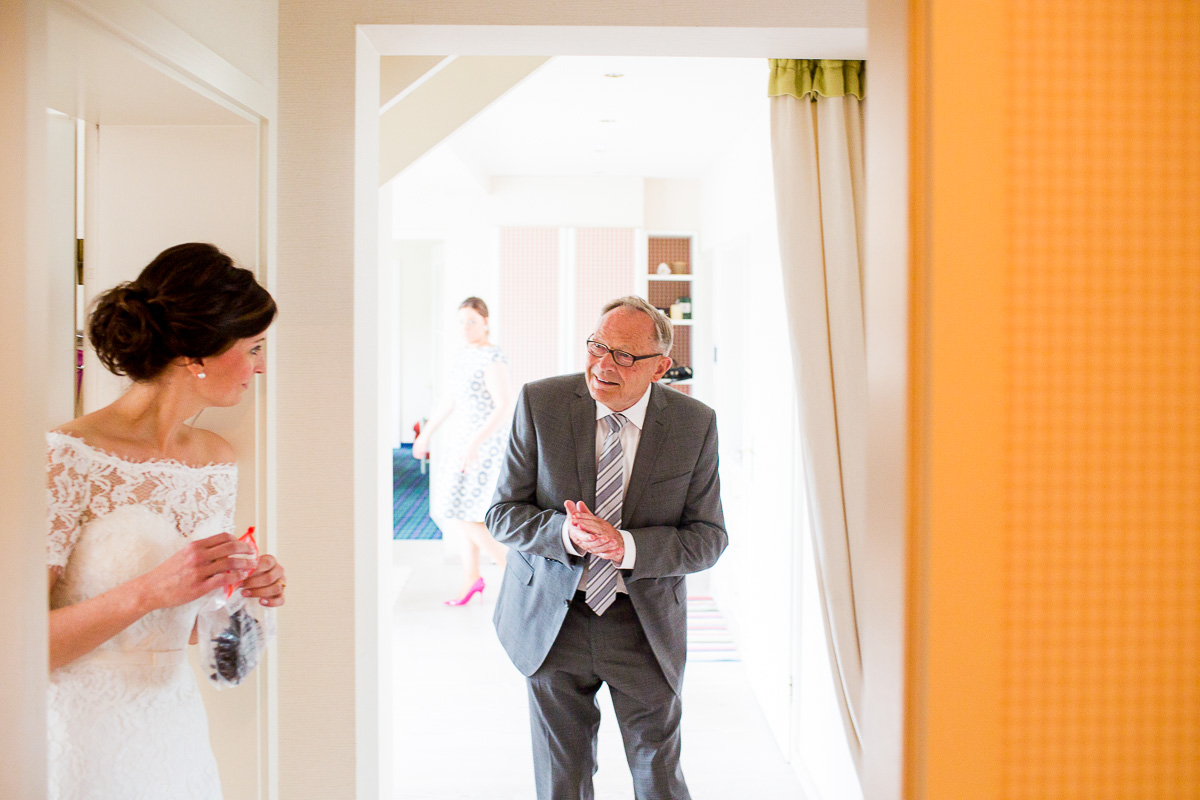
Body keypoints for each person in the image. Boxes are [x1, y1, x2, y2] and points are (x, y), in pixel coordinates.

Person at [46, 243, 287, 800]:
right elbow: (19, 647)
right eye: (253, 348)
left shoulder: (216, 460)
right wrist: (151, 590)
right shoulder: (67, 456)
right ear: (196, 353)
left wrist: (247, 596)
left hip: (174, 734)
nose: (261, 366)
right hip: (83, 739)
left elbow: (193, 628)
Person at [486, 296, 728, 800]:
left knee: (658, 776)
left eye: (624, 355)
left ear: (660, 367)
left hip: (643, 624)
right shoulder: (540, 403)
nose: (602, 365)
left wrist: (628, 546)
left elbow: (708, 538)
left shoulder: (693, 424)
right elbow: (502, 514)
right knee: (561, 780)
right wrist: (565, 534)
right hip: (552, 618)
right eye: (597, 346)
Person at [412, 296, 514, 605]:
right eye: (461, 322)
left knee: (469, 514)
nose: (466, 327)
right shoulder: (462, 356)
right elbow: (450, 400)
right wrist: (426, 434)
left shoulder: (492, 358)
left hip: (482, 446)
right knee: (460, 510)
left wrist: (475, 443)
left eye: (472, 321)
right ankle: (472, 577)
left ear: (485, 322)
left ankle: (513, 570)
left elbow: (504, 405)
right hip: (461, 443)